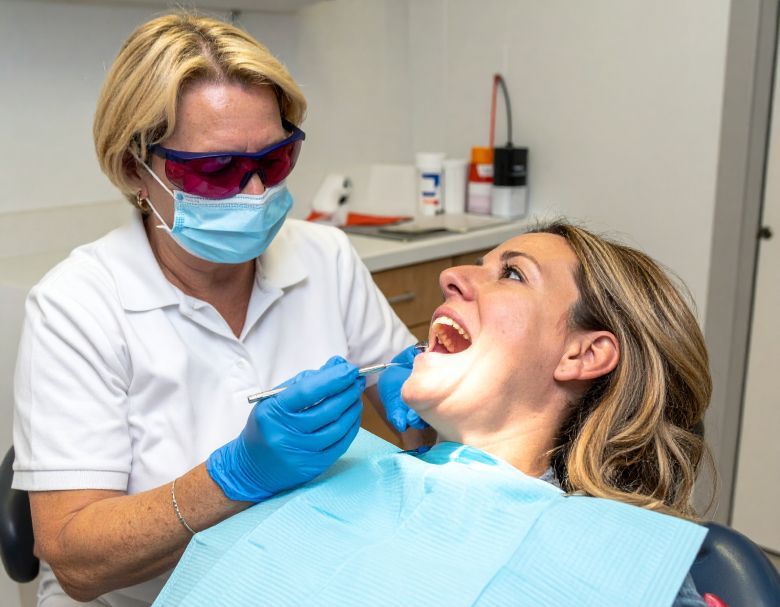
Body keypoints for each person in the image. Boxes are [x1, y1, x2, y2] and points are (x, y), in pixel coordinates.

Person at [11, 13, 415, 606]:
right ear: (135, 169)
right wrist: (233, 478)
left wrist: (433, 395)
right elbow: (76, 561)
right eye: (216, 170)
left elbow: (410, 403)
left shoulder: (325, 255)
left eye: (273, 162)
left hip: (303, 578)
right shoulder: (75, 306)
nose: (255, 193)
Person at [153, 220, 714, 606]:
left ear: (582, 354)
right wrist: (238, 478)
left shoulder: (626, 564)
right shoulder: (340, 473)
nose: (453, 277)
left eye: (512, 273)